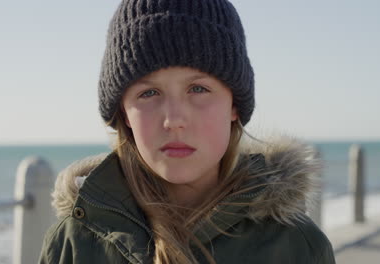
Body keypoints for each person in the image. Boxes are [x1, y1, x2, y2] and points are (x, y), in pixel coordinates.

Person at [39, 0, 335, 263]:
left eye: (198, 89)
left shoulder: (296, 246)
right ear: (124, 113)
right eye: (149, 93)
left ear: (234, 104)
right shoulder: (74, 244)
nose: (174, 120)